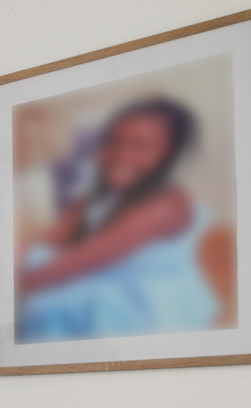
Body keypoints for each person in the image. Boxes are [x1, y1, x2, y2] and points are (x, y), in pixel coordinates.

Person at [15, 96, 228, 342]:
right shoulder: (98, 193)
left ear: (170, 153)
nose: (121, 155)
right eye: (113, 143)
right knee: (34, 261)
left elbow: (80, 262)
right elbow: (49, 241)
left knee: (42, 305)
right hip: (101, 279)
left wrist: (6, 287)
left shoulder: (166, 204)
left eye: (141, 146)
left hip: (141, 304)